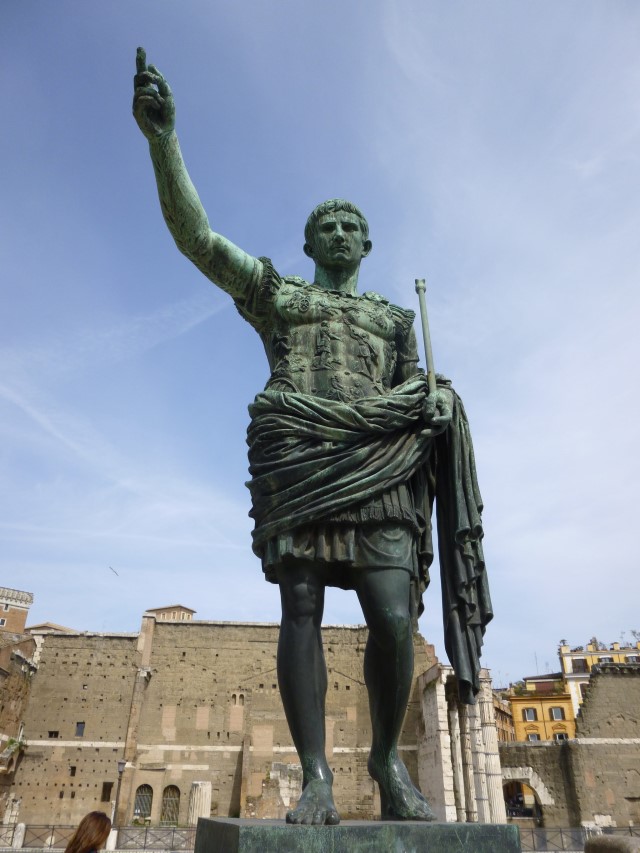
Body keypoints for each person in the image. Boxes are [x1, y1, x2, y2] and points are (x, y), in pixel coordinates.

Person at [133, 48, 492, 826]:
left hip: (380, 474)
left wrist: (436, 409)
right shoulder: (279, 295)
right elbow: (197, 239)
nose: (339, 228)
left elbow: (415, 396)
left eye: (351, 223)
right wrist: (164, 140)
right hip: (301, 464)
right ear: (310, 243)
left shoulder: (395, 320)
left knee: (394, 617)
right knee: (301, 606)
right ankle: (318, 775)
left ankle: (387, 761)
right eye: (326, 222)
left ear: (365, 245)